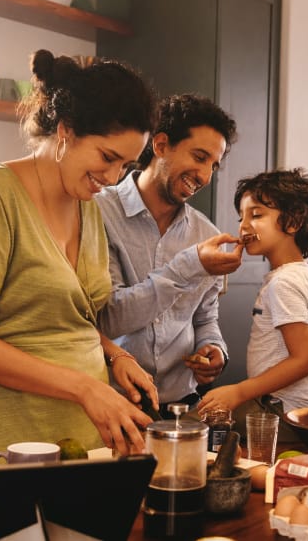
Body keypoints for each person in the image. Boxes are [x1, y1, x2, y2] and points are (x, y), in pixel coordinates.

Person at [0, 50, 160, 467]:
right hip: (2, 436)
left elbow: (62, 317)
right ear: (65, 130)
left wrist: (114, 354)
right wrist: (85, 388)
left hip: (79, 437)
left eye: (126, 166)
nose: (113, 178)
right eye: (107, 157)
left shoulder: (88, 206)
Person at [96, 93, 241, 418]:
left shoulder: (206, 234)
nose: (204, 176)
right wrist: (189, 265)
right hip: (112, 406)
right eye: (199, 157)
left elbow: (205, 318)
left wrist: (214, 350)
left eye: (213, 166)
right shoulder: (98, 213)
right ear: (160, 145)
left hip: (181, 407)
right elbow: (109, 318)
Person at [197, 168, 308, 440]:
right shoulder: (305, 273)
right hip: (307, 411)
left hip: (288, 415)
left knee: (199, 428)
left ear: (293, 222)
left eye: (257, 214)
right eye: (242, 217)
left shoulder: (283, 283)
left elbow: (304, 361)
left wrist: (238, 392)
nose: (243, 225)